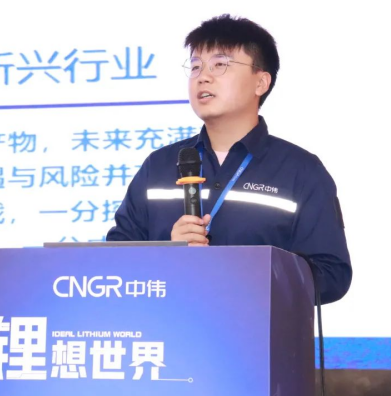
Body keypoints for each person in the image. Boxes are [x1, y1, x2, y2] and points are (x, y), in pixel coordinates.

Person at [106, 14, 352, 304]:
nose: (203, 76)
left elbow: (332, 275)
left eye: (220, 64)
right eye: (195, 66)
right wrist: (167, 254)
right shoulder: (158, 166)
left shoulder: (300, 170)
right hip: (167, 328)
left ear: (261, 82)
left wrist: (246, 272)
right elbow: (114, 261)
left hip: (259, 330)